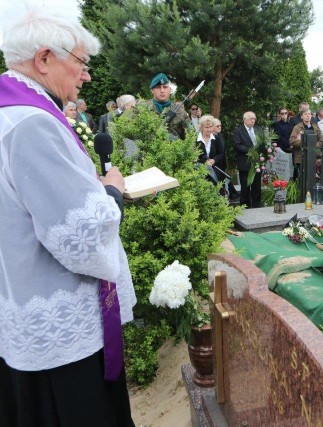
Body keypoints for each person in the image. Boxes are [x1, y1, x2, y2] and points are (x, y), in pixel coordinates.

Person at [0, 8, 136, 426]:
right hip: (60, 334)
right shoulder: (31, 125)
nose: (87, 75)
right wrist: (111, 188)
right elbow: (80, 236)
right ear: (44, 59)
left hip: (22, 303)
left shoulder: (11, 113)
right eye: (80, 63)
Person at [143, 73, 191, 140]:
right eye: (158, 87)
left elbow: (191, 138)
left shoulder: (181, 112)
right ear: (152, 90)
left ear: (170, 90)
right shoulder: (141, 108)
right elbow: (127, 133)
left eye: (165, 87)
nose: (162, 91)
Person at [233, 111, 262, 208]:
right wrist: (251, 151)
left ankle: (257, 205)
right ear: (244, 120)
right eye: (251, 118)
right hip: (245, 162)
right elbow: (237, 145)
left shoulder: (258, 129)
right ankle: (245, 206)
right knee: (245, 186)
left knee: (257, 185)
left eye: (254, 118)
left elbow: (262, 143)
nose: (253, 120)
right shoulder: (238, 131)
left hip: (257, 163)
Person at [289, 108, 323, 179]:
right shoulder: (297, 127)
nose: (308, 116)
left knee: (312, 176)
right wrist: (304, 143)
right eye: (305, 114)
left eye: (309, 114)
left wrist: (315, 145)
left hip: (313, 155)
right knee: (301, 177)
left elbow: (321, 140)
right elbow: (292, 140)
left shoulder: (315, 127)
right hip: (301, 155)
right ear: (301, 117)